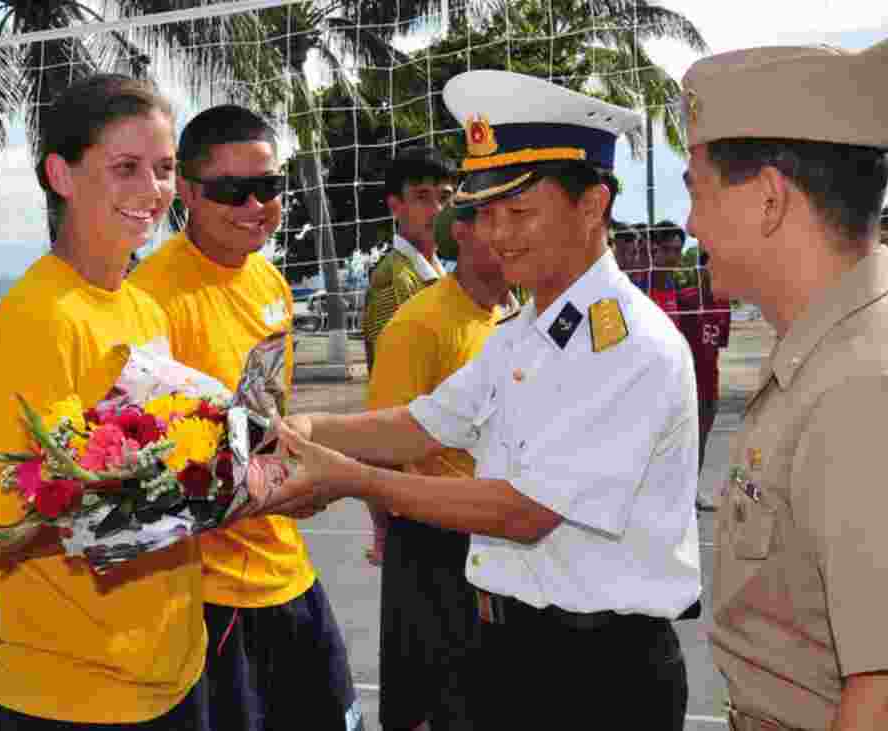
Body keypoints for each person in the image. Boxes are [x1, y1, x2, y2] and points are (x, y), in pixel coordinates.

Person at [257, 70, 702, 729]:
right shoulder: (526, 332)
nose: (497, 233)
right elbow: (421, 425)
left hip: (597, 675)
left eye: (519, 211)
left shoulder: (626, 344)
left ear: (593, 204)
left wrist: (348, 476)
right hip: (504, 647)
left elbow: (525, 511)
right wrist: (303, 426)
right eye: (485, 211)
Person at [680, 29, 888, 730]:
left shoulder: (867, 390)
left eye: (696, 191)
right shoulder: (831, 357)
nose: (690, 224)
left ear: (768, 198)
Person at [0, 74, 209, 729]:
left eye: (163, 169)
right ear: (61, 175)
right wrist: (130, 500)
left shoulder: (144, 304)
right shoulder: (36, 320)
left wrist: (213, 469)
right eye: (125, 168)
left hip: (176, 673)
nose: (151, 192)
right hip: (74, 697)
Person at [129, 104, 362, 731]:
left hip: (288, 568)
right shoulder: (149, 300)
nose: (255, 205)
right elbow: (150, 473)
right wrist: (282, 490)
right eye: (232, 190)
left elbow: (269, 422)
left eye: (269, 187)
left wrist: (309, 472)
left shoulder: (271, 284)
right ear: (187, 192)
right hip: (210, 593)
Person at [369, 203, 517, 731]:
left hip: (498, 537)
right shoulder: (420, 323)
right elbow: (384, 445)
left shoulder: (511, 319)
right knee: (431, 707)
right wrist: (386, 527)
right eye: (495, 219)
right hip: (435, 547)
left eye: (519, 217)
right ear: (460, 229)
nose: (509, 235)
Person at [361, 146, 457, 373]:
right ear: (396, 205)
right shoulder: (393, 281)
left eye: (445, 197)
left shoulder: (440, 272)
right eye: (422, 197)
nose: (437, 210)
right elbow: (390, 381)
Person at [676, 250, 731, 510]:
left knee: (701, 442)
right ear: (699, 269)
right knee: (684, 443)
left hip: (711, 384)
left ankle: (692, 491)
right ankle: (680, 497)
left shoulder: (723, 301)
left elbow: (719, 344)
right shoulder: (685, 300)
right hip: (688, 385)